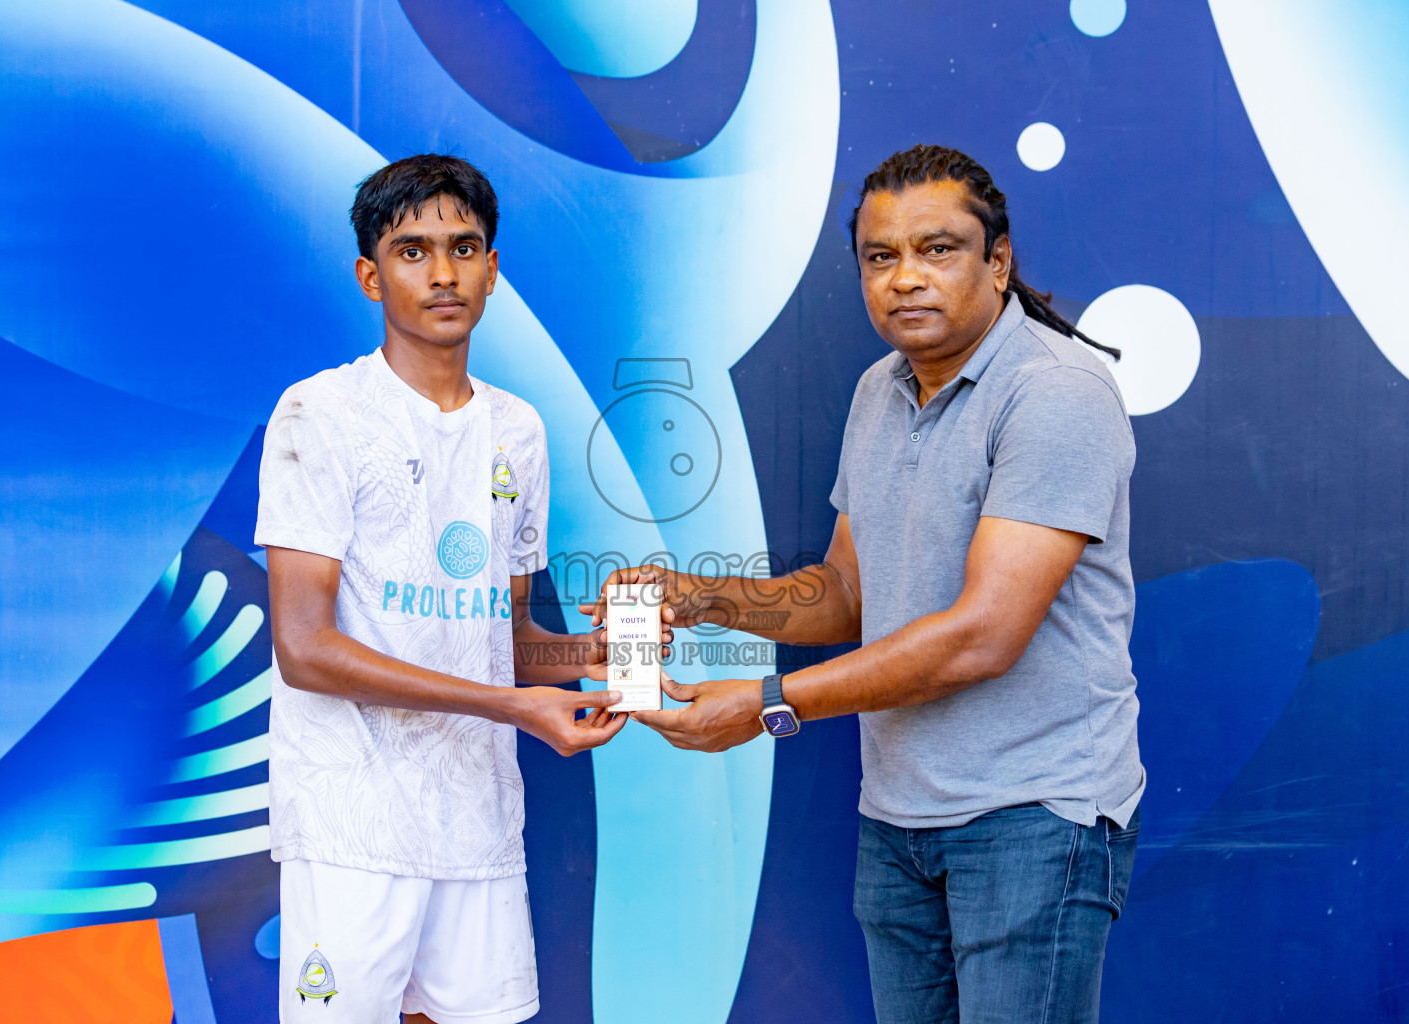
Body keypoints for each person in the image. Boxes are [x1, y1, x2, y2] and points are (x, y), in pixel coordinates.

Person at [585, 144, 1143, 1023]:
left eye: (939, 250)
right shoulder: (877, 391)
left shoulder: (1055, 393)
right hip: (898, 818)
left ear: (998, 261)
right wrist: (700, 597)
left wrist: (767, 704)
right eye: (881, 258)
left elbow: (985, 634)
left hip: (1034, 817)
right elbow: (846, 593)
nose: (906, 279)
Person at [257, 155, 666, 1024]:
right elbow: (304, 650)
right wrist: (517, 709)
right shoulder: (317, 415)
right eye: (412, 251)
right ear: (371, 276)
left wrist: (600, 653)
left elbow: (505, 641)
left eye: (464, 247)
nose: (442, 273)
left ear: (491, 269)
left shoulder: (519, 428)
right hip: (351, 822)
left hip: (477, 814)